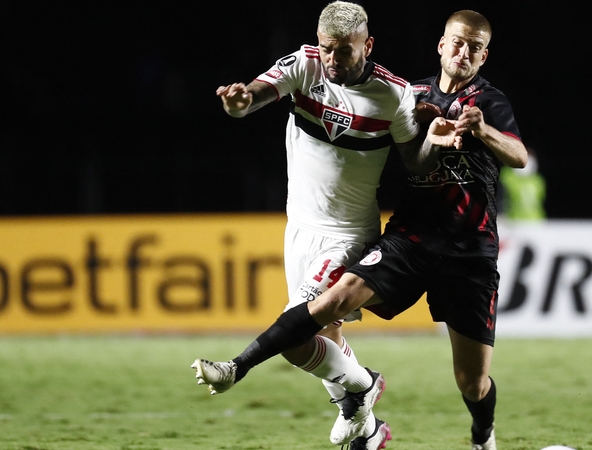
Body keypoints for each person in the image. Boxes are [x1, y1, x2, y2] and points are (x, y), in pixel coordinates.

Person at [193, 9, 525, 450]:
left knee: (471, 382)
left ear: (484, 56)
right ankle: (357, 418)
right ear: (441, 45)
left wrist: (478, 131)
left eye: (474, 47)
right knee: (323, 319)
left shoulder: (475, 100)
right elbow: (414, 161)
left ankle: (481, 434)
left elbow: (516, 156)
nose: (463, 53)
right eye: (456, 43)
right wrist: (241, 102)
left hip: (465, 251)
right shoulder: (409, 92)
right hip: (409, 239)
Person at [498, 146, 546, 220]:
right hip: (512, 221)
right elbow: (499, 197)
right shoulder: (506, 176)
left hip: (535, 220)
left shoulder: (537, 180)